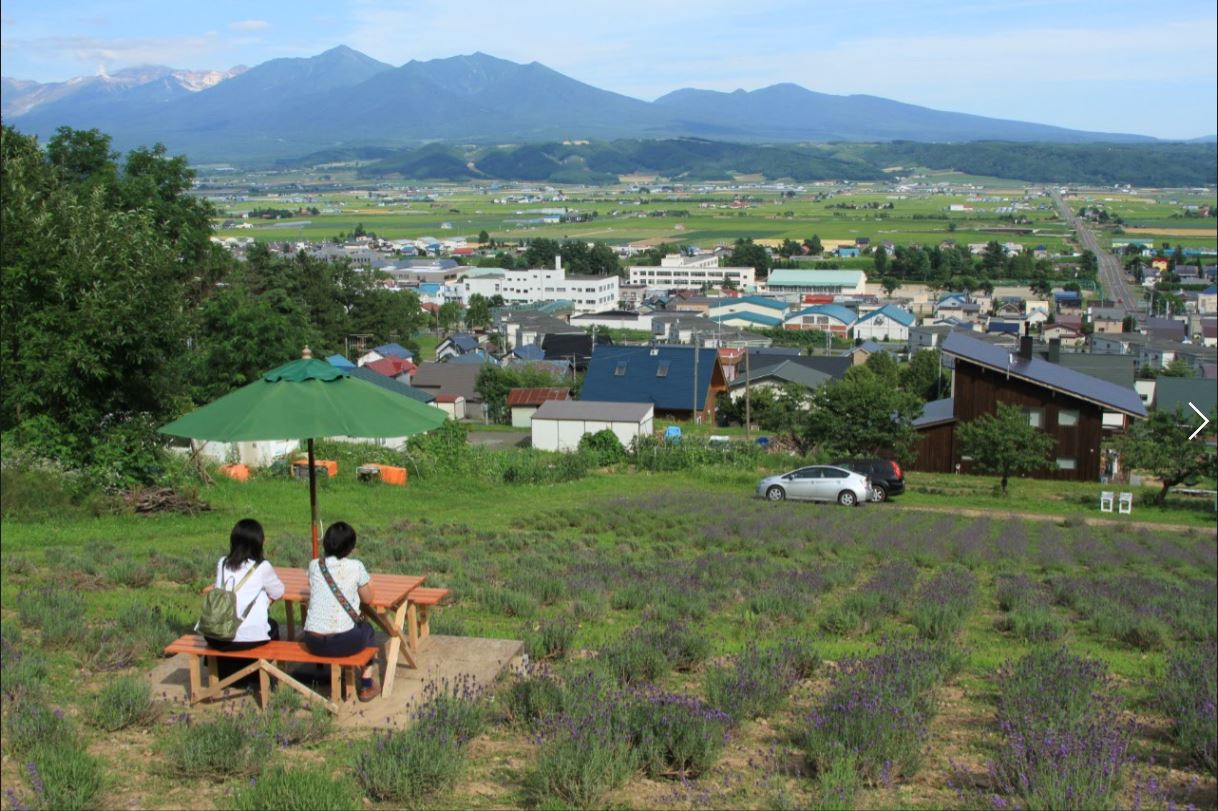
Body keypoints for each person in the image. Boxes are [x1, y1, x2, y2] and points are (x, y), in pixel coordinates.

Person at [200, 518, 285, 681]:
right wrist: (265, 602)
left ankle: (226, 674)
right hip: (247, 638)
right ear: (258, 543)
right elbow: (279, 591)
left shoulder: (222, 563)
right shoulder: (262, 567)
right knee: (272, 627)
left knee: (241, 632)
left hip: (215, 635)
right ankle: (264, 677)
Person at [303, 521, 379, 701]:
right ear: (350, 547)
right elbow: (368, 599)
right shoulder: (356, 566)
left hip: (312, 641)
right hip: (342, 642)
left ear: (326, 543)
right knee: (368, 630)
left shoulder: (314, 565)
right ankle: (366, 684)